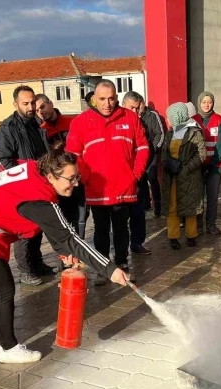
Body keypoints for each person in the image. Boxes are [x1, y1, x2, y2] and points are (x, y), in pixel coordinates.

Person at [0, 144, 130, 363]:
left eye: (77, 176)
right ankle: (8, 349)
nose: (76, 183)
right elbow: (69, 236)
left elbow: (54, 227)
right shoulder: (38, 198)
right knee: (3, 289)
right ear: (51, 176)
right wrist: (110, 269)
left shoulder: (38, 170)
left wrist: (63, 251)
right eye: (71, 179)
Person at [66, 80, 150, 286]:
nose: (107, 103)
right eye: (102, 99)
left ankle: (121, 264)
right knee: (101, 230)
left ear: (117, 97)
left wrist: (135, 174)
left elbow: (143, 148)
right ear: (94, 98)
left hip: (124, 187)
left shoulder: (130, 118)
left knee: (122, 228)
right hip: (98, 190)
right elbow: (73, 154)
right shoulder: (80, 122)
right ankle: (103, 268)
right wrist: (86, 178)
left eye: (111, 98)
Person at [0, 85, 54, 285]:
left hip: (39, 184)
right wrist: (20, 182)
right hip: (20, 188)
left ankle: (37, 263)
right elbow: (4, 160)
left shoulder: (37, 125)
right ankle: (25, 270)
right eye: (25, 103)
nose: (30, 107)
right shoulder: (7, 128)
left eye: (32, 103)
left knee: (38, 227)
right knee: (23, 231)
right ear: (16, 104)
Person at [36, 94, 85, 239]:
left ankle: (79, 248)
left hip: (78, 177)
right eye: (37, 110)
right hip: (59, 181)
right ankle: (68, 254)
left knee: (81, 216)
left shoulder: (72, 122)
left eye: (43, 106)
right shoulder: (42, 130)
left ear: (50, 103)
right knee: (63, 218)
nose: (41, 112)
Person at [161, 103, 206, 249]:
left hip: (189, 177)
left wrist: (186, 169)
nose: (167, 119)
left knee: (190, 207)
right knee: (172, 207)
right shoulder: (169, 133)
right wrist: (167, 164)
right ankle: (173, 237)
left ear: (176, 116)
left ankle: (191, 235)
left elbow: (201, 154)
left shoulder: (194, 132)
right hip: (172, 177)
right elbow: (164, 154)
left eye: (169, 116)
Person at [123, 91, 158, 256]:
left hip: (138, 176)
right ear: (124, 105)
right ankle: (120, 248)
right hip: (121, 177)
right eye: (132, 108)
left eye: (138, 109)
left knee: (138, 213)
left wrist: (141, 168)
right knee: (121, 216)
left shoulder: (141, 124)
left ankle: (137, 243)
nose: (136, 112)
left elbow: (147, 148)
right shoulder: (117, 123)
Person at [192, 91, 221, 235]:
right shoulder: (193, 120)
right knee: (198, 198)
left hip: (215, 167)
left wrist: (212, 163)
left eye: (210, 102)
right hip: (198, 167)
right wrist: (199, 163)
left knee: (212, 198)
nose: (207, 105)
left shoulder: (219, 120)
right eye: (204, 102)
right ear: (199, 103)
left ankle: (211, 225)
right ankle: (199, 226)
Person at [139, 98, 165, 218]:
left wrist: (153, 149)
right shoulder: (133, 116)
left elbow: (159, 133)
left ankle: (158, 209)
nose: (138, 109)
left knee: (152, 179)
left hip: (151, 153)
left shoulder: (152, 115)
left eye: (139, 105)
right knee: (141, 180)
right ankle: (145, 206)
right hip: (138, 155)